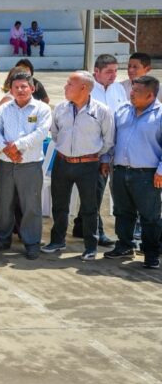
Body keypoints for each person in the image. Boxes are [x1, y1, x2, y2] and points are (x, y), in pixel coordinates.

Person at [43, 71, 114, 260]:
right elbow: (55, 134)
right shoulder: (60, 108)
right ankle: (57, 241)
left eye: (69, 84)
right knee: (59, 205)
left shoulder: (102, 111)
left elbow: (108, 140)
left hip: (89, 166)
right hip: (62, 162)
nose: (65, 87)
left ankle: (91, 247)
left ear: (83, 88)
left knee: (90, 208)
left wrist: (94, 155)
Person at [0, 72, 52, 260]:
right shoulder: (4, 108)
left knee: (31, 205)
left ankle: (31, 243)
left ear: (32, 88)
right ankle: (3, 239)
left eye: (24, 86)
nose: (20, 90)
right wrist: (6, 149)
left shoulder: (42, 109)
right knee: (5, 203)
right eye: (16, 87)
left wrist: (16, 146)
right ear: (11, 89)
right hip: (6, 164)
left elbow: (41, 133)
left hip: (30, 165)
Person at [102, 76, 162, 269]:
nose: (132, 94)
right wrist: (105, 160)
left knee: (150, 217)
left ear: (151, 95)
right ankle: (125, 246)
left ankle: (151, 254)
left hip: (147, 175)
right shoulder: (123, 110)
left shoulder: (160, 115)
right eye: (132, 89)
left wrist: (161, 171)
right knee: (122, 212)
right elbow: (112, 139)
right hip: (120, 171)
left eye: (137, 91)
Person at [84, 53, 128, 246]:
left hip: (118, 151)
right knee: (95, 195)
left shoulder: (118, 89)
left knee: (120, 194)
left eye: (116, 71)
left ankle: (125, 234)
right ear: (97, 71)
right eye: (109, 71)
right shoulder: (88, 89)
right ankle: (97, 232)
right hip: (97, 152)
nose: (114, 75)